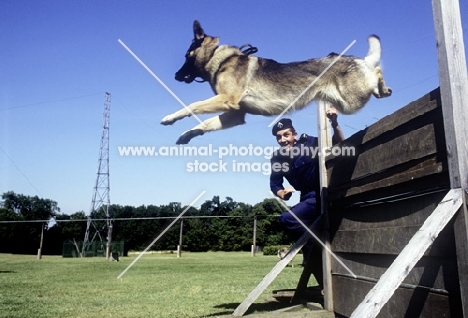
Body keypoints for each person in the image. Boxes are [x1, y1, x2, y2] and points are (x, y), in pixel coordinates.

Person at [270, 107, 345, 289]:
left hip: (322, 194)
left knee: (287, 219)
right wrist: (283, 193)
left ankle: (313, 252)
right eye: (279, 137)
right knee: (299, 229)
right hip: (306, 199)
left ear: (294, 134)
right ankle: (323, 281)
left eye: (286, 135)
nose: (283, 140)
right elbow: (275, 184)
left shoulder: (310, 143)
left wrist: (334, 122)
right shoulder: (278, 159)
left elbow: (340, 144)